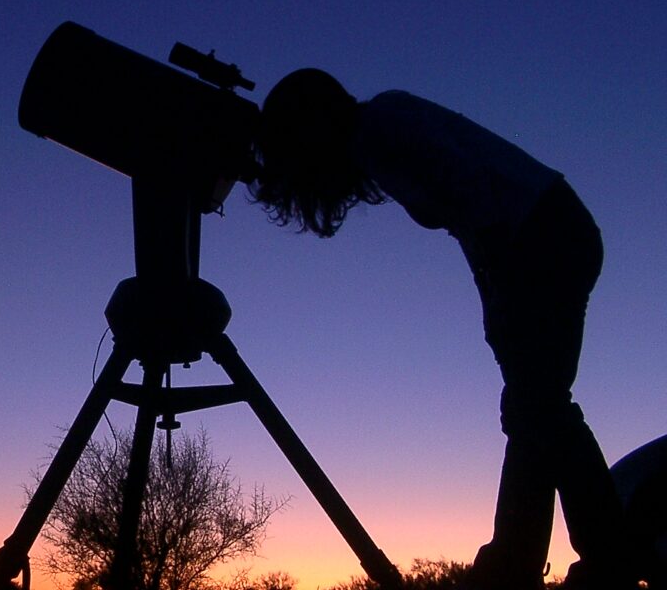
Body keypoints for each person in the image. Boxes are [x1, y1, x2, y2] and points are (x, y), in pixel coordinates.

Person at [249, 69, 631, 590]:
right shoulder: (377, 136)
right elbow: (470, 217)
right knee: (536, 409)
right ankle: (536, 561)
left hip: (546, 239)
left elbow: (477, 202)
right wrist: (497, 307)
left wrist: (502, 296)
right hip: (549, 235)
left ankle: (576, 559)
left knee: (537, 407)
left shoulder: (381, 128)